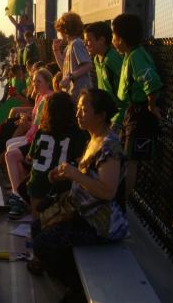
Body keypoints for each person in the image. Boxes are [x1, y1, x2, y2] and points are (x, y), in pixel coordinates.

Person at [32, 89, 128, 299]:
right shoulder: (93, 138)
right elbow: (87, 171)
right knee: (36, 226)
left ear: (101, 115)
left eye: (84, 110)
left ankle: (77, 288)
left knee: (42, 243)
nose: (78, 114)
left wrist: (74, 174)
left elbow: (107, 191)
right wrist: (64, 172)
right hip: (80, 210)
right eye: (78, 109)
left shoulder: (109, 147)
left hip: (97, 222)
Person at [111, 13, 163, 196]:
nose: (113, 41)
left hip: (140, 115)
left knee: (132, 160)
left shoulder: (136, 57)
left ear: (122, 39)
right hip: (130, 112)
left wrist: (151, 105)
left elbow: (151, 81)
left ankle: (124, 199)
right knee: (125, 157)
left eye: (114, 37)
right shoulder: (129, 56)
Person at [26, 92, 86, 220]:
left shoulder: (41, 131)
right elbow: (80, 162)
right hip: (62, 186)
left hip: (38, 184)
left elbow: (30, 158)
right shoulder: (77, 132)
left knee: (37, 223)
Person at [5, 68, 54, 219]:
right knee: (10, 144)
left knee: (10, 153)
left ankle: (18, 195)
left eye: (38, 81)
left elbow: (43, 125)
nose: (35, 84)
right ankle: (21, 190)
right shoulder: (41, 96)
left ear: (47, 82)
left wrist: (28, 122)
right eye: (34, 81)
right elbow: (36, 119)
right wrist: (26, 118)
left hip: (37, 140)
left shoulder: (48, 99)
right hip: (32, 136)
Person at [83, 21, 126, 132]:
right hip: (107, 115)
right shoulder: (97, 59)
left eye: (89, 40)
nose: (86, 44)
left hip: (119, 116)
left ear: (101, 40)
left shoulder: (112, 59)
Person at [53, 12, 93, 102]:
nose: (59, 33)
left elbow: (88, 65)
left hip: (79, 94)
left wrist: (70, 77)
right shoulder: (69, 46)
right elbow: (64, 68)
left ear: (65, 29)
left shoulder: (77, 43)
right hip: (72, 94)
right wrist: (56, 51)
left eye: (60, 30)